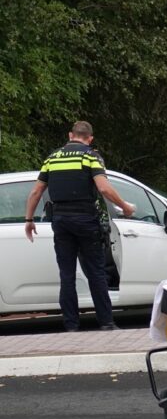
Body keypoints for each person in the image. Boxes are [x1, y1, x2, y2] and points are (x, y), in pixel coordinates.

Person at [23, 121, 135, 332]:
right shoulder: (90, 156)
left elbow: (36, 192)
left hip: (61, 221)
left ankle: (71, 326)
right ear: (90, 138)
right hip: (85, 219)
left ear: (70, 135)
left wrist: (29, 220)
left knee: (67, 275)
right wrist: (125, 207)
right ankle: (106, 322)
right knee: (96, 273)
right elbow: (104, 188)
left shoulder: (52, 158)